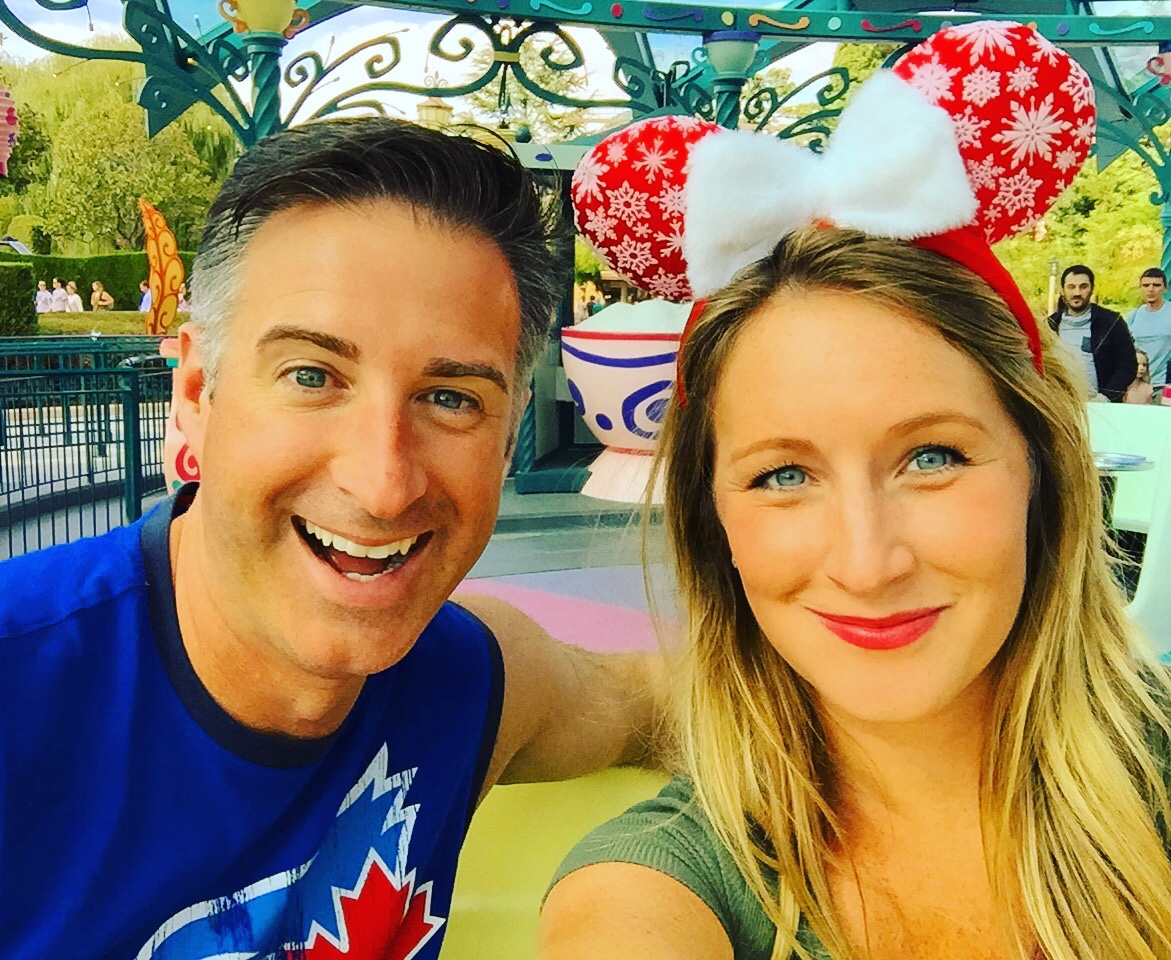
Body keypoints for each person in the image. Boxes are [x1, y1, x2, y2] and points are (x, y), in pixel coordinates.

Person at [542, 62, 1171, 960]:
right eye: (782, 476)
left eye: (931, 458)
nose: (867, 564)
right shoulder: (659, 884)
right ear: (712, 524)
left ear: (1044, 473)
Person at [0, 118, 663, 960]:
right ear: (197, 393)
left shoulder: (465, 681)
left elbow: (671, 701)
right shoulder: (23, 690)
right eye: (312, 376)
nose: (383, 484)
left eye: (451, 399)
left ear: (507, 438)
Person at [1047, 265, 1136, 402]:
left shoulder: (1111, 322)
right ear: (1062, 290)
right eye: (1071, 287)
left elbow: (1127, 365)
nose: (1077, 292)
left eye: (1083, 287)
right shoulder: (1050, 325)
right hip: (1061, 403)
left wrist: (1105, 397)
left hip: (1100, 404)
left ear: (1092, 288)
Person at [1126, 267, 1171, 400]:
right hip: (1138, 385)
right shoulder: (1134, 315)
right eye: (1146, 285)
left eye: (1156, 285)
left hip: (1164, 384)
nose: (1151, 289)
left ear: (1165, 288)